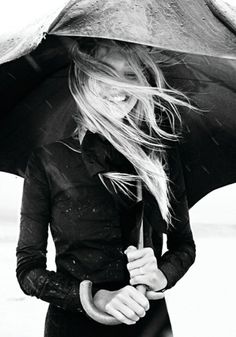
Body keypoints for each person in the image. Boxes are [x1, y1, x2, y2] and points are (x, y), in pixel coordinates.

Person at [16, 38, 196, 337]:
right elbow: (29, 270)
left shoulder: (158, 155)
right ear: (83, 77)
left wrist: (160, 275)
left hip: (147, 323)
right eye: (105, 72)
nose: (119, 87)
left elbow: (183, 246)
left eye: (130, 74)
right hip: (72, 327)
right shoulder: (49, 160)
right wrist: (94, 297)